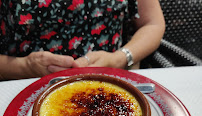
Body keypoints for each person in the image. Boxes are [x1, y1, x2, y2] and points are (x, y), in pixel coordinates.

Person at [0, 0, 165, 80]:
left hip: (111, 82)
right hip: (24, 86)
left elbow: (152, 23)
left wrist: (120, 58)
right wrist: (25, 67)